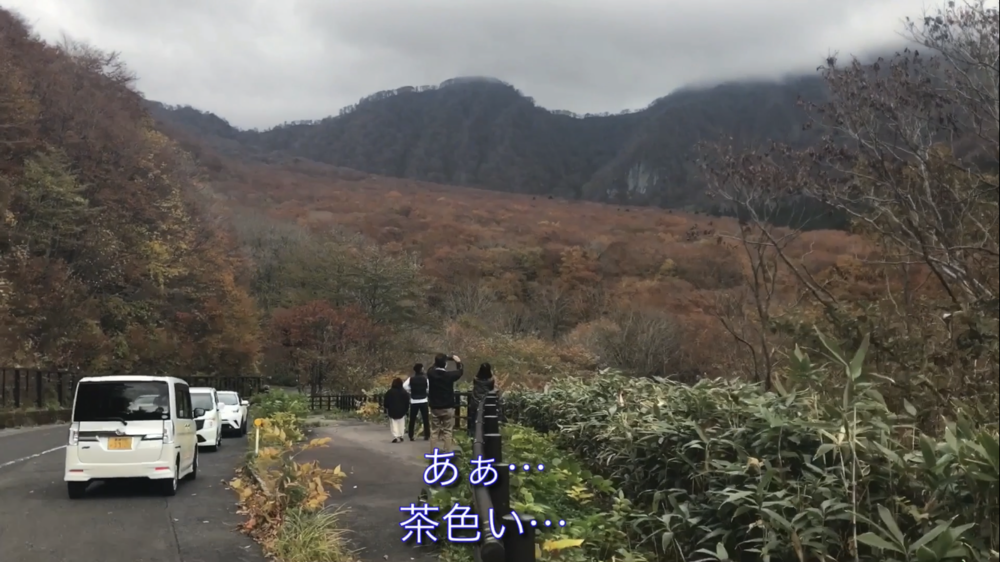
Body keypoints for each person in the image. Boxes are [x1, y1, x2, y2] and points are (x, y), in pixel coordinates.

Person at [427, 353, 463, 452]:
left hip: (435, 406)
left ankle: (432, 452)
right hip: (448, 406)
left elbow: (432, 367)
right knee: (447, 431)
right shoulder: (450, 375)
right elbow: (460, 372)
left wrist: (441, 359)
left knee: (434, 431)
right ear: (445, 364)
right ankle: (447, 451)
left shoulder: (431, 374)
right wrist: (458, 362)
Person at [467, 362, 496, 437]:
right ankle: (483, 435)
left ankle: (472, 434)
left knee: (473, 419)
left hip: (475, 401)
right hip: (485, 402)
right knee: (485, 420)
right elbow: (491, 388)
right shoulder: (490, 381)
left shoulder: (475, 379)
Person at [403, 364, 430, 441]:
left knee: (412, 418)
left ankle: (411, 435)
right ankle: (427, 435)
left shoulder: (411, 379)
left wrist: (411, 390)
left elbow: (404, 386)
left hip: (414, 400)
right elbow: (429, 387)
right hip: (423, 399)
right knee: (425, 418)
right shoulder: (425, 379)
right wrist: (425, 391)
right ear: (421, 369)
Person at [383, 378, 410, 443]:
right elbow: (407, 401)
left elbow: (386, 401)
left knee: (394, 423)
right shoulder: (404, 392)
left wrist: (386, 407)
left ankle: (396, 436)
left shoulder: (390, 392)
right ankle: (401, 435)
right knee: (401, 423)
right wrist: (406, 409)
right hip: (402, 410)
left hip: (392, 410)